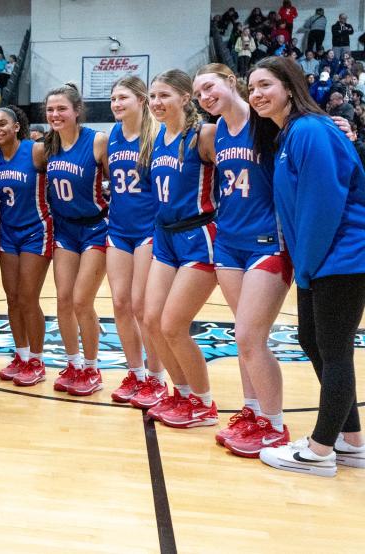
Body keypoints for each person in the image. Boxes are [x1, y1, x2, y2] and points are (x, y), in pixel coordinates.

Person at [247, 56, 365, 476]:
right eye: (252, 89)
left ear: (289, 85)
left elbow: (322, 205)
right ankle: (351, 441)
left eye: (265, 85)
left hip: (341, 258)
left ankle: (318, 452)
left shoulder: (311, 131)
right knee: (314, 341)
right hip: (322, 260)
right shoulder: (289, 135)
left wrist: (308, 265)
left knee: (334, 352)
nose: (257, 94)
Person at [191, 63, 293, 456]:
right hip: (229, 241)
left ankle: (275, 424)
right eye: (199, 93)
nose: (205, 97)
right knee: (243, 334)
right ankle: (252, 412)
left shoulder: (264, 122)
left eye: (210, 87)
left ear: (230, 82)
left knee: (251, 337)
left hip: (267, 239)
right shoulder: (215, 135)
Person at [142, 69, 219, 428]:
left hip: (198, 236)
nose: (156, 103)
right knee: (152, 322)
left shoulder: (203, 134)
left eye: (164, 96)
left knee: (173, 325)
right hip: (165, 236)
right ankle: (183, 395)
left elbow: (244, 159)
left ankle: (204, 403)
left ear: (186, 98)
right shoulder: (157, 138)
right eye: (153, 96)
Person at [41, 83, 109, 395]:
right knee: (63, 300)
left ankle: (92, 367)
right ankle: (73, 363)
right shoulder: (47, 146)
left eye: (62, 109)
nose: (55, 114)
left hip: (95, 227)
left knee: (83, 300)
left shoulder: (97, 141)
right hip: (64, 229)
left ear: (77, 110)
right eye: (50, 109)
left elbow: (117, 184)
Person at [103, 76, 163, 406]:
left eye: (123, 98)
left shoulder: (155, 135)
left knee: (141, 307)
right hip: (118, 228)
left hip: (148, 230)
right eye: (113, 99)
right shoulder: (112, 135)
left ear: (141, 100)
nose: (116, 104)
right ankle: (135, 373)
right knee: (120, 304)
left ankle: (156, 378)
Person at [0, 106, 53, 385]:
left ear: (16, 126)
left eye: (3, 124)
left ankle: (37, 360)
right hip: (9, 233)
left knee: (28, 298)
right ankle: (22, 354)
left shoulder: (35, 150)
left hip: (36, 231)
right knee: (12, 298)